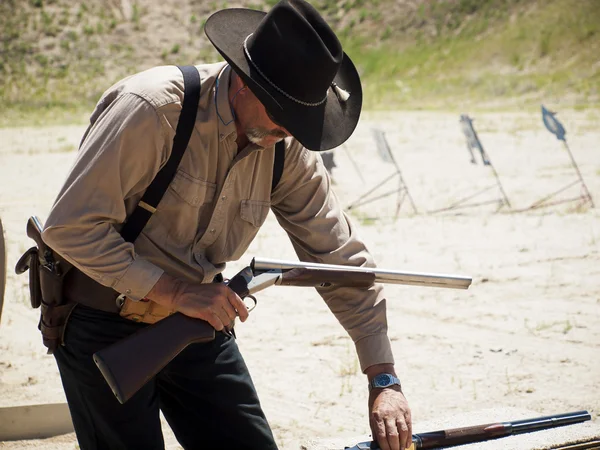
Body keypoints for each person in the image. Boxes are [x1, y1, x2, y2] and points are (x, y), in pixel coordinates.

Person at [41, 1, 412, 449]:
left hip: (197, 322)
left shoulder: (286, 145)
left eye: (300, 121)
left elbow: (337, 258)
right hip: (101, 315)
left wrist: (383, 377)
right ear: (243, 81)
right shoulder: (154, 108)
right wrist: (174, 291)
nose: (290, 134)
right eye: (283, 116)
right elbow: (69, 228)